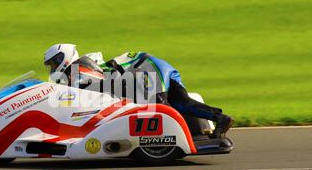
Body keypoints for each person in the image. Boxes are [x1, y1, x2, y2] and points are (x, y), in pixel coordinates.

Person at [44, 44, 233, 138]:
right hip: (155, 66)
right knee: (181, 103)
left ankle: (176, 139)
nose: (53, 70)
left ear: (64, 58)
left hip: (146, 68)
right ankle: (219, 118)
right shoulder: (82, 67)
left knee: (162, 109)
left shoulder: (79, 67)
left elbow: (96, 91)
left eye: (53, 64)